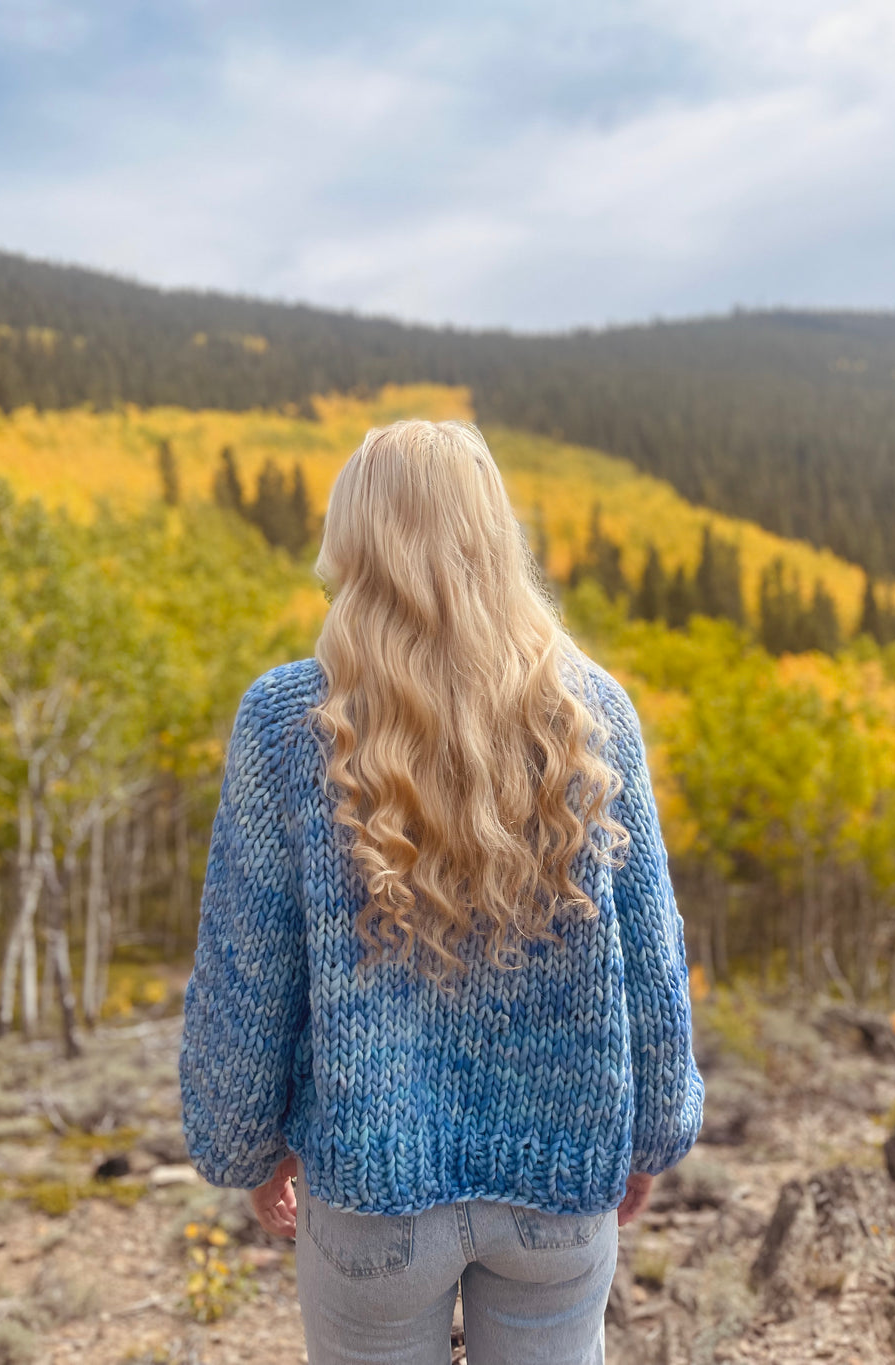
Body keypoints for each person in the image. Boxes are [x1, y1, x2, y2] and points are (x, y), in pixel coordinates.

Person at [179, 419, 703, 1364]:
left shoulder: (285, 722)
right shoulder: (592, 713)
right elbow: (652, 957)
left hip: (371, 1198)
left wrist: (245, 1148)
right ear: (493, 538)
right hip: (558, 1189)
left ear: (352, 542)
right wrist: (652, 1134)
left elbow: (245, 967)